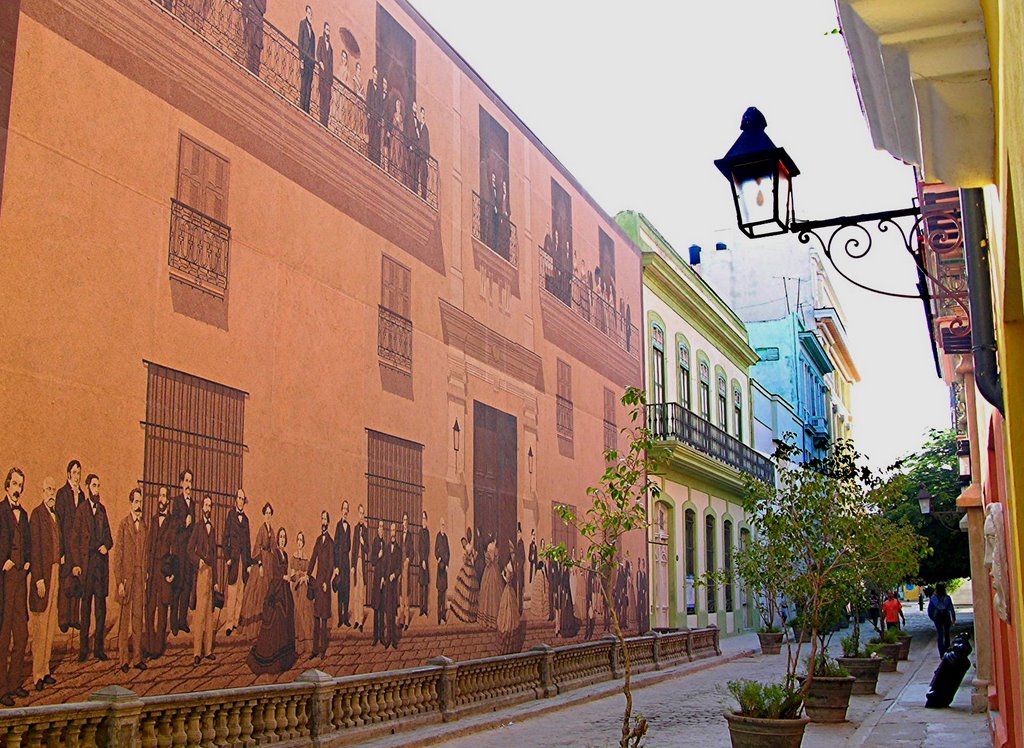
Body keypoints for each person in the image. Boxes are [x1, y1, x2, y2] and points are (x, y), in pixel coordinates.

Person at [71, 473, 113, 663]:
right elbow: (74, 540)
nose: (97, 489)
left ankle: (98, 649)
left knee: (100, 610)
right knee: (85, 609)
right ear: (88, 487)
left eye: (98, 486)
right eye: (94, 485)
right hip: (87, 567)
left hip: (100, 567)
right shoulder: (81, 511)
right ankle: (83, 649)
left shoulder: (103, 510)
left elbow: (109, 538)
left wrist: (106, 545)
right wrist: (77, 565)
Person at [246, 527, 297, 674]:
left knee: (286, 619)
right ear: (277, 539)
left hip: (285, 590)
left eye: (283, 537)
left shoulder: (285, 554)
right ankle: (272, 659)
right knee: (276, 619)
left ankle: (285, 659)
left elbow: (286, 572)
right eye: (280, 537)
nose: (281, 539)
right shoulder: (275, 555)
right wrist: (283, 577)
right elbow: (274, 574)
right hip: (276, 590)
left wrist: (290, 577)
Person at [0, 467, 31, 706]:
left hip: (21, 580)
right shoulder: (0, 511)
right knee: (3, 637)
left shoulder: (25, 514)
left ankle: (15, 683)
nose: (18, 489)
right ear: (7, 486)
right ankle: (1, 689)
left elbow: (27, 542)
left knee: (21, 635)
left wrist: (27, 560)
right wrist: (4, 562)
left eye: (21, 485)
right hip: (5, 581)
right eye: (15, 484)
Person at [29, 476, 61, 692]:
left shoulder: (55, 516)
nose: (51, 493)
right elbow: (35, 548)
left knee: (50, 625)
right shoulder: (37, 515)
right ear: (42, 492)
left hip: (55, 571)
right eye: (48, 489)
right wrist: (39, 578)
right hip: (43, 575)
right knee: (40, 626)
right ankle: (36, 674)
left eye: (53, 490)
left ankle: (46, 668)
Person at [115, 488, 148, 673]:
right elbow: (118, 556)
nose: (138, 506)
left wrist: (144, 575)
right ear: (130, 503)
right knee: (124, 619)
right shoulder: (124, 525)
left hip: (139, 576)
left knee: (137, 618)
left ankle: (137, 658)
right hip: (127, 578)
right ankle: (123, 660)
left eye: (140, 502)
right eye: (136, 502)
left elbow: (145, 554)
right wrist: (119, 580)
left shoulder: (143, 526)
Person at [144, 487, 177, 659]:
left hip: (165, 570)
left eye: (165, 496)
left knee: (163, 607)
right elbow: (149, 547)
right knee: (149, 607)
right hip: (152, 570)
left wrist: (171, 572)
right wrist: (147, 571)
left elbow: (175, 550)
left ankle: (158, 648)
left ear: (168, 501)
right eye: (160, 496)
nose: (162, 499)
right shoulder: (154, 519)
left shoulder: (172, 522)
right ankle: (148, 645)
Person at [188, 495, 219, 664]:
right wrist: (198, 561)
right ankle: (196, 652)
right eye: (205, 505)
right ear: (202, 509)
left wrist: (215, 580)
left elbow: (214, 555)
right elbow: (189, 549)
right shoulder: (198, 527)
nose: (208, 508)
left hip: (210, 573)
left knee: (209, 613)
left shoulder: (212, 528)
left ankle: (208, 651)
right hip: (201, 572)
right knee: (200, 613)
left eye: (210, 506)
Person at [55, 459, 85, 633]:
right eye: (74, 472)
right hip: (66, 544)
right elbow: (58, 522)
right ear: (68, 474)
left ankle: (74, 617)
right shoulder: (62, 494)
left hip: (78, 546)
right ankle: (64, 619)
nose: (77, 476)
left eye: (79, 473)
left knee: (77, 581)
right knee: (65, 580)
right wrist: (61, 549)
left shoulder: (81, 496)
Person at [237, 502, 275, 637]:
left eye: (270, 513)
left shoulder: (272, 530)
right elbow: (257, 548)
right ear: (263, 515)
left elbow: (274, 549)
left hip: (270, 563)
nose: (268, 516)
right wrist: (260, 564)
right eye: (266, 513)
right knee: (259, 595)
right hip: (262, 564)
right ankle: (257, 627)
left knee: (269, 593)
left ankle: (267, 627)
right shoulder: (261, 530)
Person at [222, 489, 252, 637]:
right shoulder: (230, 515)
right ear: (235, 500)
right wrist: (227, 557)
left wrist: (248, 564)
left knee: (241, 592)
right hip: (233, 561)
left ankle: (235, 622)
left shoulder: (246, 520)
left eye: (243, 499)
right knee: (232, 593)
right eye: (239, 498)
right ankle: (228, 623)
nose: (240, 501)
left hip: (243, 561)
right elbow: (224, 538)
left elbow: (248, 543)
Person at [170, 469, 197, 636]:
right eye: (186, 481)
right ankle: (173, 622)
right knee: (177, 587)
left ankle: (182, 621)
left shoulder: (193, 504)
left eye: (190, 482)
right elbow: (173, 524)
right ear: (181, 483)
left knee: (187, 585)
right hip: (179, 551)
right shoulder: (177, 502)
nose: (188, 485)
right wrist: (184, 522)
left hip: (189, 552)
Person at [306, 511, 334, 658]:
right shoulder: (318, 540)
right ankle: (314, 650)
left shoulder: (330, 542)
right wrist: (307, 573)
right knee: (316, 618)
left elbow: (330, 564)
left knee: (323, 618)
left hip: (324, 585)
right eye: (321, 518)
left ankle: (322, 650)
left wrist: (326, 582)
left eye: (325, 519)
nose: (323, 522)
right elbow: (313, 558)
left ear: (328, 522)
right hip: (317, 583)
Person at [289, 531, 312, 656]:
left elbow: (308, 574)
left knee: (305, 615)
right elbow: (292, 575)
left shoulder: (306, 558)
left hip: (304, 589)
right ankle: (297, 646)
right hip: (296, 590)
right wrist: (299, 575)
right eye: (298, 540)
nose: (299, 542)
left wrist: (305, 577)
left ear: (303, 543)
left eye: (301, 540)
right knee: (296, 615)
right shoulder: (293, 558)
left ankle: (305, 645)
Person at [449, 528, 479, 623]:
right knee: (468, 591)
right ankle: (468, 613)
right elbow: (475, 557)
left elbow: (468, 558)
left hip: (467, 569)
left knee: (466, 591)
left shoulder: (468, 547)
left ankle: (465, 613)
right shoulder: (471, 547)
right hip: (470, 569)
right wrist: (471, 558)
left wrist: (467, 558)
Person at [350, 504, 369, 632]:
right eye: (360, 513)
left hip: (363, 563)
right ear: (358, 514)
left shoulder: (366, 530)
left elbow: (368, 550)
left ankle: (361, 621)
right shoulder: (356, 529)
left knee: (361, 593)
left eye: (363, 514)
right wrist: (352, 566)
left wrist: (363, 542)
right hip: (356, 563)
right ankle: (356, 620)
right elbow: (352, 548)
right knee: (356, 593)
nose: (361, 516)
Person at [333, 500, 352, 628]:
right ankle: (340, 618)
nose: (345, 511)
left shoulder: (349, 527)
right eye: (344, 509)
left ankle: (346, 618)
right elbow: (335, 546)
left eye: (347, 509)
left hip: (346, 561)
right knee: (340, 590)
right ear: (341, 511)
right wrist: (336, 567)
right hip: (340, 562)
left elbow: (349, 546)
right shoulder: (338, 526)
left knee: (346, 590)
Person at [478, 536, 502, 629]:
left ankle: (487, 619)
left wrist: (489, 555)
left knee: (488, 593)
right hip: (495, 571)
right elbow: (495, 560)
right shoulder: (495, 548)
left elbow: (488, 561)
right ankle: (494, 619)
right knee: (495, 593)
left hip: (488, 571)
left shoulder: (489, 548)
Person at [928, 583, 957, 655]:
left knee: (940, 634)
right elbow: (951, 609)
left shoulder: (934, 598)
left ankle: (941, 653)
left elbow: (930, 610)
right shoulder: (947, 598)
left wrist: (933, 618)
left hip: (937, 617)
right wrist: (953, 618)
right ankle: (947, 650)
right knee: (947, 634)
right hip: (946, 617)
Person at [297, 6, 315, 113]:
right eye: (308, 13)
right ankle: (302, 105)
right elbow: (300, 41)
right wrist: (301, 59)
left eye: (311, 13)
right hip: (304, 58)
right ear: (305, 13)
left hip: (310, 61)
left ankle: (307, 108)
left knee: (309, 84)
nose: (310, 15)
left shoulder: (312, 31)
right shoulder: (302, 24)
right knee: (304, 83)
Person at [240, 0, 265, 76]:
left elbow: (263, 9)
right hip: (248, 20)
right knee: (248, 43)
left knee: (255, 45)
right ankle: (248, 65)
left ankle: (254, 70)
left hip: (256, 22)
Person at [316, 22, 334, 128]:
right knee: (322, 96)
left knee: (328, 98)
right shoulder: (321, 40)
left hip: (328, 77)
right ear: (324, 29)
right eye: (326, 29)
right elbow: (318, 53)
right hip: (322, 74)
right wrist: (320, 62)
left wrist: (331, 79)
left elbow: (331, 64)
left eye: (329, 30)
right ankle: (321, 119)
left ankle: (325, 122)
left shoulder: (330, 48)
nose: (328, 31)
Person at [434, 518, 449, 624]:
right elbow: (436, 550)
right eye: (441, 525)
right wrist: (438, 557)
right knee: (439, 594)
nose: (443, 527)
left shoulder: (446, 537)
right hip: (440, 569)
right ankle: (439, 617)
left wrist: (447, 564)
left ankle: (443, 616)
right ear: (439, 526)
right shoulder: (438, 537)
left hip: (445, 569)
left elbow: (448, 552)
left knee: (444, 594)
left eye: (444, 525)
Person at [418, 511, 430, 618]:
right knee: (421, 585)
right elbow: (419, 548)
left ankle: (425, 608)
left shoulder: (427, 532)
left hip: (426, 562)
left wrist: (426, 560)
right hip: (421, 562)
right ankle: (421, 608)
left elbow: (428, 548)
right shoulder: (420, 532)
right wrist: (422, 560)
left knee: (426, 585)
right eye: (422, 519)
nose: (423, 521)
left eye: (424, 519)